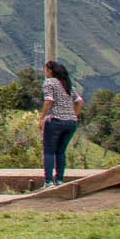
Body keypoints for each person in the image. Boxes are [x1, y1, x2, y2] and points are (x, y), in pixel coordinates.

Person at [38, 59, 81, 188]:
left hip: (55, 121)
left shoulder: (49, 82)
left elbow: (49, 100)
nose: (45, 72)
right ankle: (60, 180)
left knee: (49, 152)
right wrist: (74, 115)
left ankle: (48, 182)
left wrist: (42, 117)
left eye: (45, 70)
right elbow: (79, 101)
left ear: (50, 71)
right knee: (60, 152)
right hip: (71, 123)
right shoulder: (67, 85)